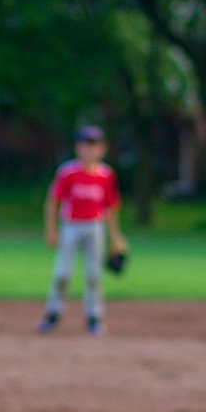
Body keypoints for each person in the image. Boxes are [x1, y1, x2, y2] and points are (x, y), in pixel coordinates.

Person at [40, 124, 128, 336]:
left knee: (93, 275)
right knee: (62, 273)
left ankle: (94, 317)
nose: (89, 150)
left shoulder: (106, 175)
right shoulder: (67, 172)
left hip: (95, 227)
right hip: (70, 226)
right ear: (77, 147)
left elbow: (111, 208)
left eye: (94, 145)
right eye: (85, 144)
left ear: (102, 149)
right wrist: (51, 230)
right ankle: (53, 313)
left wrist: (115, 237)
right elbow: (53, 202)